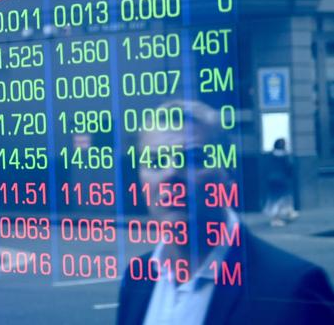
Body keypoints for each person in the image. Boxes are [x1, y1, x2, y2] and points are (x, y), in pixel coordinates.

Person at [117, 100, 334, 325]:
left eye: (194, 159)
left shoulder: (294, 288)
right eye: (155, 161)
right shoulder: (136, 279)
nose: (170, 174)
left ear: (228, 173)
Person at [264, 138, 299, 226]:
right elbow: (289, 168)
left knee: (274, 199)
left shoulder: (271, 155)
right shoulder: (285, 156)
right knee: (283, 198)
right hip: (282, 179)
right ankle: (279, 217)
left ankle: (286, 213)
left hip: (271, 179)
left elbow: (267, 167)